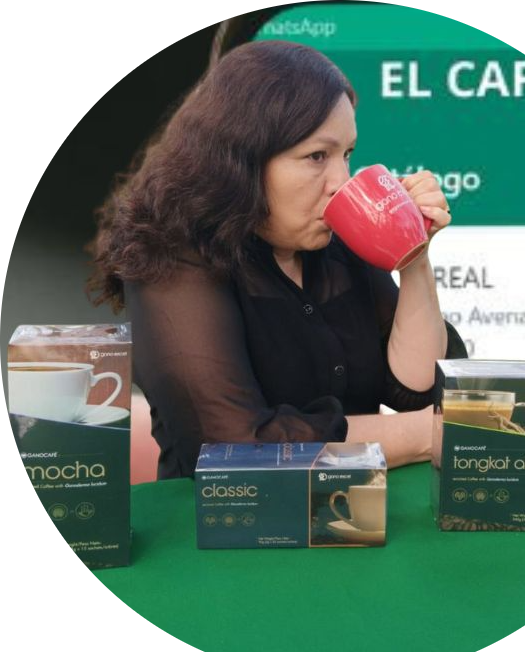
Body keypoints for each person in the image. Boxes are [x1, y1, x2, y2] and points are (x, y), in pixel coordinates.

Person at [86, 40, 467, 479]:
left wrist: (414, 254)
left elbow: (416, 389)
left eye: (347, 154)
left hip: (356, 506)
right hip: (229, 516)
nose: (341, 181)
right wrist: (427, 434)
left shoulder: (334, 239)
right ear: (242, 161)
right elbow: (234, 446)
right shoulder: (175, 260)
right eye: (317, 156)